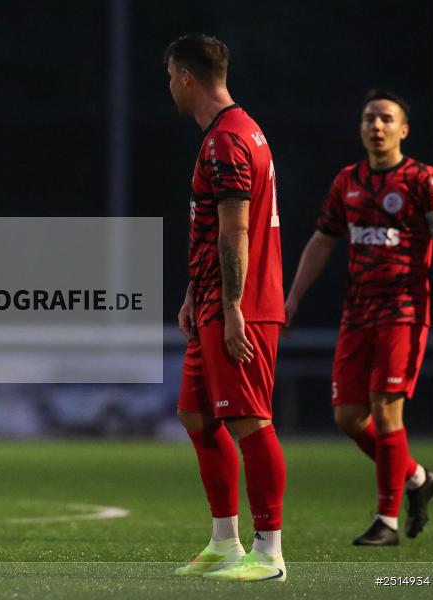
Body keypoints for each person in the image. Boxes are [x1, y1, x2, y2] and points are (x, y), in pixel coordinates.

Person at [285, 89, 433, 546]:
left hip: (403, 311)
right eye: (369, 119)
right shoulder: (347, 182)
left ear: (403, 130)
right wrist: (293, 297)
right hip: (357, 314)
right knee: (348, 418)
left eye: (386, 119)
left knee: (385, 411)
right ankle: (416, 476)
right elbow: (322, 240)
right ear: (360, 128)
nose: (377, 126)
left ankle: (386, 522)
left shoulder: (424, 181)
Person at [165, 34, 287, 582]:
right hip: (215, 300)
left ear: (185, 76)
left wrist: (233, 305)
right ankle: (225, 541)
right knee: (195, 414)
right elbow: (214, 227)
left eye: (170, 76)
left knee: (249, 421)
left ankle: (269, 553)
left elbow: (236, 231)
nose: (169, 86)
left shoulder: (228, 141)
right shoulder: (237, 132)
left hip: (241, 306)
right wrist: (196, 291)